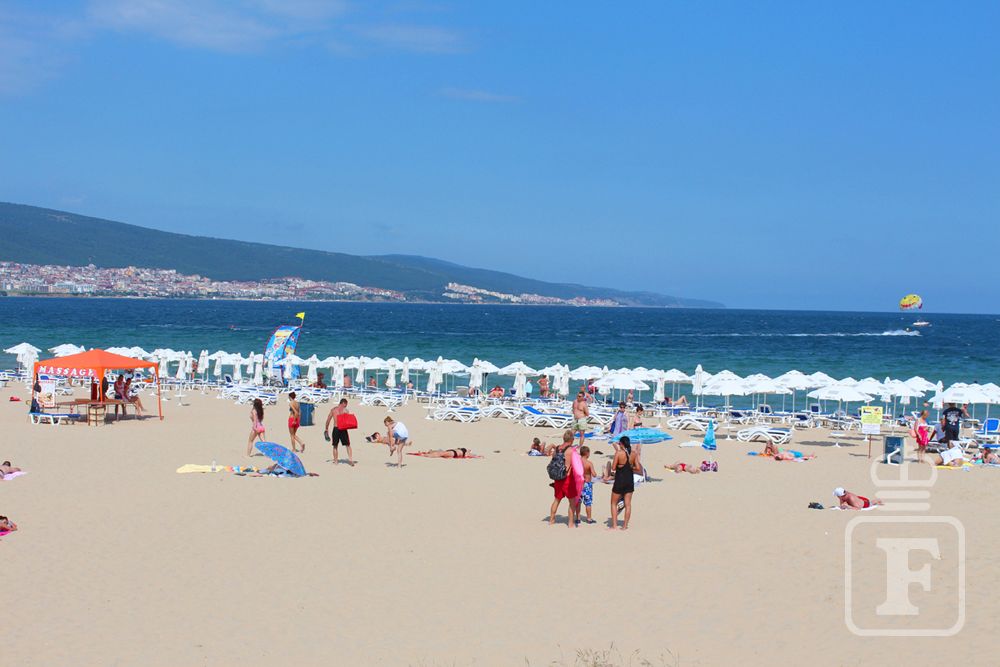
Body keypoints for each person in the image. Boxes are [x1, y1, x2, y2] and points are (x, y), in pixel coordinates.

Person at [549, 430, 582, 527]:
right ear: (572, 440)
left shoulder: (557, 448)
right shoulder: (571, 451)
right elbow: (574, 465)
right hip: (567, 478)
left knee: (556, 500)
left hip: (558, 478)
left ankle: (551, 520)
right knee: (572, 502)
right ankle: (570, 523)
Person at [610, 436, 638, 530]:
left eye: (619, 443)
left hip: (620, 480)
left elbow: (613, 468)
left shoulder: (618, 453)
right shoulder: (633, 453)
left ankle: (614, 525)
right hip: (629, 480)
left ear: (621, 444)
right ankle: (625, 526)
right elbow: (638, 468)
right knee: (628, 504)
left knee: (613, 503)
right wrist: (630, 467)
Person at [323, 398, 354, 466]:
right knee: (347, 445)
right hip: (342, 429)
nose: (346, 406)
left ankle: (336, 461)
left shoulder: (333, 410)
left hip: (336, 429)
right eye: (346, 404)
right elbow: (347, 421)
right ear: (343, 403)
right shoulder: (346, 411)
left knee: (335, 446)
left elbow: (328, 420)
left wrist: (326, 428)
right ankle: (350, 460)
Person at [579, 445, 597, 524]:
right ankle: (589, 518)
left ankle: (578, 518)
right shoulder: (589, 463)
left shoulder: (577, 462)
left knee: (578, 502)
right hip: (587, 484)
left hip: (579, 484)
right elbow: (594, 474)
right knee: (588, 503)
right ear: (587, 453)